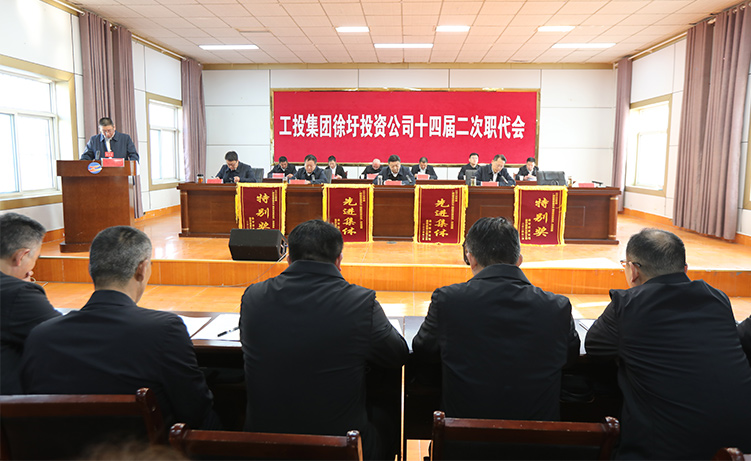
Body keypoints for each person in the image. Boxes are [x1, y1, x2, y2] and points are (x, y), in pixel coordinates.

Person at [21, 226, 219, 430]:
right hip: (141, 447)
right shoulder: (165, 330)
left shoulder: (41, 336)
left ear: (91, 268)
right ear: (142, 269)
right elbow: (195, 410)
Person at [240, 220, 408, 460]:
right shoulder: (360, 302)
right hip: (339, 449)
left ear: (288, 258)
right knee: (387, 409)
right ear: (339, 259)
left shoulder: (253, 297)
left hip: (264, 447)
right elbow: (397, 355)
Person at [585, 229, 751, 459]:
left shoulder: (627, 305)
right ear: (685, 269)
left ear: (633, 271)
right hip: (739, 449)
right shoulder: (717, 298)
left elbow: (595, 347)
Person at [412, 217, 579, 421]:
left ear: (471, 259)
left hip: (464, 437)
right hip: (537, 439)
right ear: (519, 260)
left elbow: (423, 350)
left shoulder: (448, 300)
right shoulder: (557, 307)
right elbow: (570, 357)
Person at [0, 213, 61, 395]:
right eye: (36, 258)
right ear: (21, 256)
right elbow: (63, 335)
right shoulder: (18, 294)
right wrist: (22, 287)